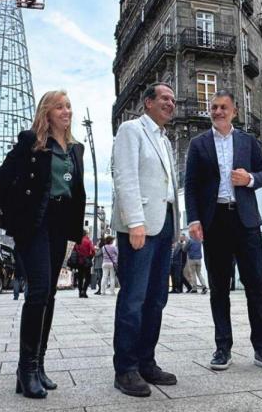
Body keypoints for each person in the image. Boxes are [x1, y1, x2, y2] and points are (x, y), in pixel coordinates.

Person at [0, 90, 86, 399]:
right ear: (46, 112)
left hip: (61, 224)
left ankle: (39, 365)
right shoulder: (30, 144)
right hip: (35, 223)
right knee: (38, 290)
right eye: (60, 106)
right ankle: (26, 368)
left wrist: (76, 230)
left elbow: (77, 191)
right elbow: (2, 180)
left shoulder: (75, 149)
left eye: (69, 106)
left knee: (48, 294)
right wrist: (17, 217)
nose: (67, 111)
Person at [184, 90, 262, 373]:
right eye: (213, 107)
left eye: (223, 107)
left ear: (234, 111)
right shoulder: (198, 144)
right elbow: (190, 186)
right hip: (215, 222)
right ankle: (222, 347)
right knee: (218, 288)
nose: (217, 111)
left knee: (256, 286)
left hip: (246, 221)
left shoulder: (247, 141)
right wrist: (194, 220)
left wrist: (249, 178)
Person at [110, 82, 180, 397]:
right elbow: (124, 175)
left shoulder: (165, 140)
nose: (171, 103)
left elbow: (166, 187)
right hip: (139, 225)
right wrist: (135, 221)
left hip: (164, 225)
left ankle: (146, 362)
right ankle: (125, 369)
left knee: (156, 299)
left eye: (173, 100)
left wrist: (174, 228)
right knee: (134, 298)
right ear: (147, 102)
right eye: (164, 98)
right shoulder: (131, 130)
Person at [74, 231, 94, 298]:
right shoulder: (88, 241)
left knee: (80, 277)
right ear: (86, 234)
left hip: (79, 261)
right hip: (86, 261)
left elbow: (74, 250)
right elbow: (93, 250)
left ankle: (80, 292)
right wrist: (90, 257)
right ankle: (84, 291)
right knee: (88, 277)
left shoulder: (77, 242)